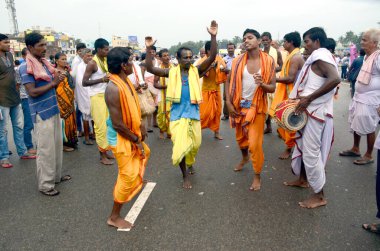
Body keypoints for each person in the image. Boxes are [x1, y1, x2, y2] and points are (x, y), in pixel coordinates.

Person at [144, 20, 218, 189]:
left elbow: (212, 56)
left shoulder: (196, 70)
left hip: (193, 113)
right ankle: (185, 175)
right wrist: (149, 49)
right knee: (180, 146)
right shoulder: (171, 72)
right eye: (185, 58)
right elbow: (149, 68)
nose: (189, 60)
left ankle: (190, 161)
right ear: (177, 59)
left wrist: (213, 36)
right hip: (177, 115)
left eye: (191, 57)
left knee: (195, 144)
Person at [283, 27, 340, 208]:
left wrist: (308, 98)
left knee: (311, 154)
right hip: (309, 110)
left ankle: (319, 195)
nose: (304, 46)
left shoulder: (321, 55)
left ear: (317, 41)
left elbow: (335, 79)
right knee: (303, 148)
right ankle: (302, 180)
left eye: (306, 41)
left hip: (316, 113)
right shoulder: (318, 57)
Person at [104, 47, 150, 231]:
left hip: (130, 133)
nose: (133, 64)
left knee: (145, 153)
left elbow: (132, 109)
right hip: (120, 137)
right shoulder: (113, 88)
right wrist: (136, 139)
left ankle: (136, 178)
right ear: (123, 66)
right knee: (127, 175)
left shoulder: (126, 81)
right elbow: (118, 124)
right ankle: (114, 217)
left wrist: (140, 125)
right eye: (131, 61)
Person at [20, 32, 71, 196]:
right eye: (40, 45)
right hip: (41, 113)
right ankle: (46, 184)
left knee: (56, 147)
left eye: (44, 44)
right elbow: (32, 92)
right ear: (30, 47)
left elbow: (50, 86)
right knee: (46, 150)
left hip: (53, 109)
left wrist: (58, 81)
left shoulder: (44, 63)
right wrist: (54, 83)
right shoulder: (24, 66)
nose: (44, 48)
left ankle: (55, 177)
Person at [226, 28, 276, 191]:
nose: (246, 40)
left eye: (250, 37)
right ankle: (244, 158)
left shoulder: (268, 61)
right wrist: (228, 102)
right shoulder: (237, 61)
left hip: (258, 107)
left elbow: (272, 88)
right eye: (244, 38)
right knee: (241, 140)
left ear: (259, 41)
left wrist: (262, 84)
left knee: (254, 143)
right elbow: (228, 81)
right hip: (238, 105)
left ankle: (257, 175)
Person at [339, 29, 380, 165]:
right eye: (362, 39)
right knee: (355, 121)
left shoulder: (378, 57)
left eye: (365, 39)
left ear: (374, 43)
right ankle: (355, 148)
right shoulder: (367, 57)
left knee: (369, 126)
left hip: (371, 99)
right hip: (359, 97)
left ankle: (368, 155)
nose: (361, 42)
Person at [1, 34, 37, 169]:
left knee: (19, 126)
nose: (8, 45)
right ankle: (4, 157)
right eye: (5, 42)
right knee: (3, 130)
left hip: (14, 98)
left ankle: (22, 152)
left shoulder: (9, 56)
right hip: (2, 100)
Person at [269, 31, 304, 159]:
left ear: (291, 42)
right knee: (285, 122)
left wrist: (272, 79)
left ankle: (289, 149)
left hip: (293, 95)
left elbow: (289, 78)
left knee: (290, 122)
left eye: (285, 41)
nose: (283, 43)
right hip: (291, 93)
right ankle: (292, 147)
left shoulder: (295, 57)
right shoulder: (291, 55)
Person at [82, 38, 114, 165]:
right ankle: (102, 156)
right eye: (106, 49)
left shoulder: (104, 60)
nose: (108, 51)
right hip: (96, 97)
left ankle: (107, 150)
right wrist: (101, 80)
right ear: (99, 49)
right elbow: (84, 82)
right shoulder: (92, 63)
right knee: (100, 127)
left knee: (109, 125)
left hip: (107, 95)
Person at [197, 40, 227, 140]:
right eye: (214, 48)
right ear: (208, 50)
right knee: (204, 113)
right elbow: (200, 74)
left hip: (216, 90)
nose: (216, 50)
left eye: (216, 48)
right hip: (206, 90)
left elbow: (224, 71)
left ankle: (216, 132)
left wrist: (223, 70)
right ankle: (198, 131)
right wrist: (210, 67)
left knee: (217, 113)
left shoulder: (219, 59)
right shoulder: (203, 60)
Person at [55, 52, 78, 151]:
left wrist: (73, 95)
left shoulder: (67, 71)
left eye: (65, 59)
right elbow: (54, 86)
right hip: (60, 99)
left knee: (71, 119)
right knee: (63, 121)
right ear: (56, 61)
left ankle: (71, 141)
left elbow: (71, 85)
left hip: (70, 99)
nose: (65, 61)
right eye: (62, 59)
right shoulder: (54, 72)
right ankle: (63, 144)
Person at [261, 32, 283, 134]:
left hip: (274, 81)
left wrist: (272, 70)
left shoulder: (277, 52)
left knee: (276, 106)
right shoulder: (260, 52)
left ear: (270, 40)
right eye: (263, 40)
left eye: (267, 40)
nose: (265, 42)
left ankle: (280, 128)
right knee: (265, 105)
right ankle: (268, 126)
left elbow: (281, 66)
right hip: (264, 81)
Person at [15, 52, 37, 155]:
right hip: (26, 98)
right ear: (23, 57)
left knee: (37, 123)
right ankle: (29, 146)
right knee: (29, 124)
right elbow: (18, 85)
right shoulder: (20, 68)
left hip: (36, 97)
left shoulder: (35, 65)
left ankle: (37, 144)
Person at [75, 48, 94, 145]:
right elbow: (80, 83)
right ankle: (86, 137)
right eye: (88, 56)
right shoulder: (80, 67)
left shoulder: (92, 65)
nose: (90, 57)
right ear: (83, 56)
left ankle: (94, 134)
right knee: (86, 116)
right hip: (85, 95)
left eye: (91, 55)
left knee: (94, 116)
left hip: (93, 93)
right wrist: (88, 95)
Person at [154, 49, 172, 139]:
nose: (167, 57)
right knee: (162, 113)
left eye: (168, 55)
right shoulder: (159, 69)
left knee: (172, 113)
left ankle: (170, 131)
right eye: (164, 56)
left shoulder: (174, 67)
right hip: (162, 95)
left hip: (173, 96)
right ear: (160, 58)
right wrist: (164, 87)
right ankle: (162, 131)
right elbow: (155, 83)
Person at [70, 42, 87, 137]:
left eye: (83, 50)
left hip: (84, 87)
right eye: (80, 50)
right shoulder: (76, 61)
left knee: (82, 108)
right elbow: (74, 75)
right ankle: (80, 129)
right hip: (78, 87)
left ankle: (83, 129)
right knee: (80, 108)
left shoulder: (83, 59)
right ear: (77, 52)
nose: (82, 52)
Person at [222, 43, 236, 121]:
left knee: (235, 96)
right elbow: (222, 69)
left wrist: (229, 70)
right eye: (229, 48)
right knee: (225, 97)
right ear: (227, 49)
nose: (230, 50)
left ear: (234, 49)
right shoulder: (224, 59)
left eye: (232, 48)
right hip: (226, 80)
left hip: (236, 80)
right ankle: (226, 114)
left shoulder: (237, 58)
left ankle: (234, 113)